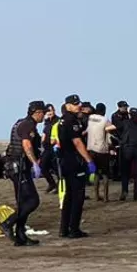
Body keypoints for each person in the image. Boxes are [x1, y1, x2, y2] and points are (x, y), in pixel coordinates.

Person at [2, 101, 46, 246]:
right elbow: (26, 145)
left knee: (23, 202)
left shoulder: (21, 123)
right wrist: (34, 163)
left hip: (15, 166)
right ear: (37, 112)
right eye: (43, 113)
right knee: (33, 201)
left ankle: (20, 236)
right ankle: (8, 222)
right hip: (19, 167)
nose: (44, 116)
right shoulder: (28, 125)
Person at [55, 95, 94, 238]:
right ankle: (74, 229)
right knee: (78, 196)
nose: (78, 106)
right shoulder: (71, 120)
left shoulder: (62, 120)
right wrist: (89, 160)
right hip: (74, 161)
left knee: (68, 195)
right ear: (67, 105)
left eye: (79, 103)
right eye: (75, 104)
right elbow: (77, 142)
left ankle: (64, 228)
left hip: (65, 160)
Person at [86, 102, 115, 201]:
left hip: (90, 149)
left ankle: (96, 195)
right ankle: (106, 197)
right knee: (105, 174)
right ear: (104, 111)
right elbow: (113, 128)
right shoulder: (104, 120)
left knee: (96, 174)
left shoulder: (90, 118)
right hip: (102, 149)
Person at [118, 108, 137, 202]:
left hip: (127, 148)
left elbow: (118, 129)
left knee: (125, 172)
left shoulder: (125, 122)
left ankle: (124, 191)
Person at [40, 104, 60, 193]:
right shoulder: (47, 121)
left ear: (54, 110)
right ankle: (52, 184)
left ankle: (59, 186)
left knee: (56, 168)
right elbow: (44, 133)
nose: (49, 112)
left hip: (54, 147)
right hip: (46, 148)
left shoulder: (58, 120)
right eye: (47, 111)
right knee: (43, 167)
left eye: (51, 110)